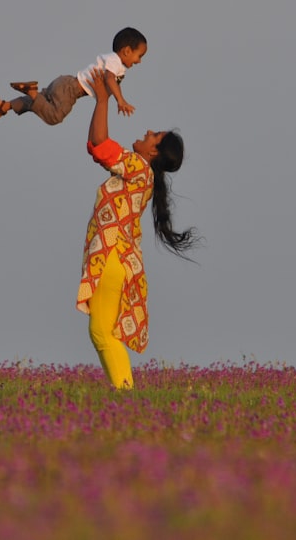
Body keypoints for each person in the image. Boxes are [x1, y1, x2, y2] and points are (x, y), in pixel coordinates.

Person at [78, 67, 199, 390]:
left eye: (154, 136)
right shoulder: (140, 173)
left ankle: (125, 395)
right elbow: (96, 147)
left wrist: (102, 99)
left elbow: (100, 143)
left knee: (102, 333)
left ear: (153, 152)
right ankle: (124, 394)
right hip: (118, 260)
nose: (147, 132)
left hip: (113, 259)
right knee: (102, 332)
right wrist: (101, 100)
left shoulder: (137, 166)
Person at [0, 27, 147, 125]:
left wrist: (120, 98)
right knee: (54, 117)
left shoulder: (116, 66)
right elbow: (110, 79)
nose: (139, 61)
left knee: (38, 102)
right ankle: (31, 92)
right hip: (70, 90)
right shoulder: (115, 61)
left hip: (65, 82)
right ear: (126, 51)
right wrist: (121, 101)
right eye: (139, 56)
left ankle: (5, 106)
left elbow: (115, 84)